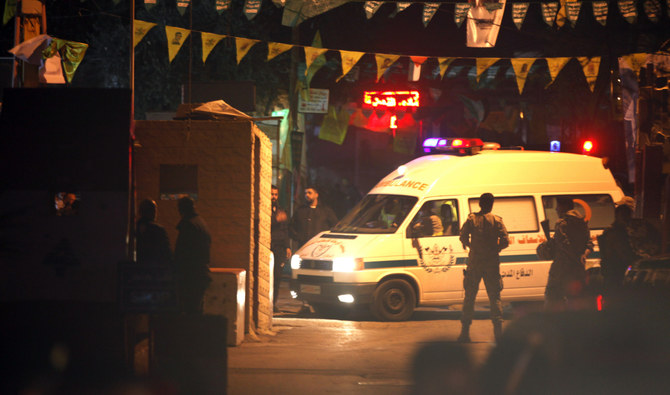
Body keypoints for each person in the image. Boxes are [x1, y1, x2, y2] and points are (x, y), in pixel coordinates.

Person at [458, 193, 509, 343]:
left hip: (475, 262)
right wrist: (495, 249)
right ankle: (498, 336)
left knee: (469, 297)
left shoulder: (471, 219)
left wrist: (472, 247)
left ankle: (464, 333)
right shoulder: (497, 220)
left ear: (480, 204)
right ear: (492, 204)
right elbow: (505, 240)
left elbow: (462, 236)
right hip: (491, 263)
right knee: (495, 298)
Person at [543, 197, 593, 312]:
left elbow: (563, 245)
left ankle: (552, 326)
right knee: (575, 300)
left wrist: (551, 244)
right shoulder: (582, 222)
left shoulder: (562, 223)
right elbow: (589, 244)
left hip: (561, 268)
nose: (556, 209)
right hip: (578, 269)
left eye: (558, 206)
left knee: (552, 297)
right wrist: (583, 256)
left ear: (564, 207)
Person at [174, 196, 212, 314]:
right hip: (200, 274)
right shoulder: (200, 223)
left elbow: (182, 253)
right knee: (196, 311)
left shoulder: (188, 225)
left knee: (188, 312)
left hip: (191, 277)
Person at [597, 204, 639, 305]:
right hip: (616, 272)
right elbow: (623, 252)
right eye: (624, 216)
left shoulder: (617, 231)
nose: (627, 219)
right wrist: (637, 260)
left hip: (613, 272)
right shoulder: (616, 233)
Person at [271, 185, 291, 312]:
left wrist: (287, 246)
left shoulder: (280, 210)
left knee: (277, 277)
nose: (274, 197)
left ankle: (273, 303)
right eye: (272, 194)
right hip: (269, 246)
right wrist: (275, 220)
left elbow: (285, 230)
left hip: (279, 248)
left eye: (276, 194)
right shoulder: (264, 209)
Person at [136, 199, 172, 266]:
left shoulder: (134, 228)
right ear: (153, 212)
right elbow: (166, 253)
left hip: (137, 268)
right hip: (154, 270)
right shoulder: (158, 230)